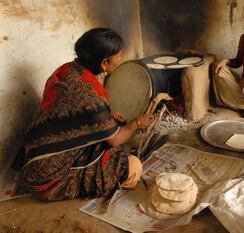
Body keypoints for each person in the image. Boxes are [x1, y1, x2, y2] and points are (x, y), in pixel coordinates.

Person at [14, 28, 151, 201]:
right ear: (104, 63)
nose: (121, 58)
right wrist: (136, 123)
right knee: (132, 168)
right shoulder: (92, 100)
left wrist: (107, 115)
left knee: (111, 140)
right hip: (48, 177)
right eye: (119, 55)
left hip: (33, 153)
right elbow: (115, 139)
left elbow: (74, 113)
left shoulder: (68, 69)